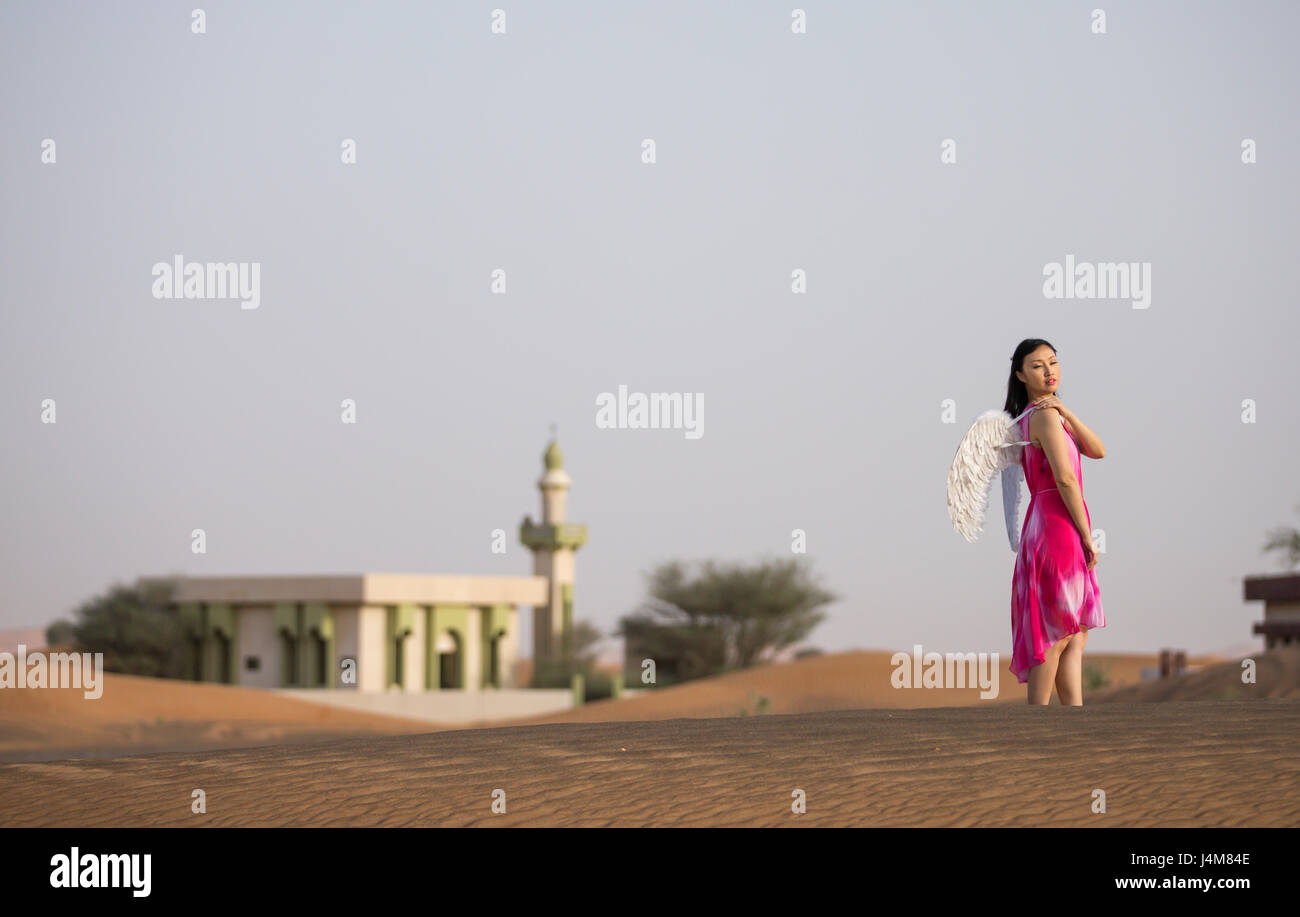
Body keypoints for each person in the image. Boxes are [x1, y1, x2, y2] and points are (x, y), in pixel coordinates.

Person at [1005, 339, 1106, 705]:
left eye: (1053, 362)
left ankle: (1073, 720)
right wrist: (1087, 536)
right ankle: (1038, 719)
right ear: (1020, 375)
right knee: (1056, 632)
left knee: (1074, 632)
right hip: (1056, 525)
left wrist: (1067, 410)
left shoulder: (1052, 414)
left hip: (1052, 521)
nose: (1049, 371)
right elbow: (1065, 479)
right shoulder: (1042, 417)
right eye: (1037, 365)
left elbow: (1098, 450)